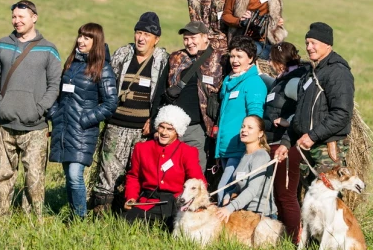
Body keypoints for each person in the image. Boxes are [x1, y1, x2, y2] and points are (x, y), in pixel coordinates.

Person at [0, 0, 61, 217]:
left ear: (34, 18)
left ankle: (34, 219)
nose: (16, 21)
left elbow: (55, 84)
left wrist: (40, 109)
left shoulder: (49, 49)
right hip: (4, 124)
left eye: (21, 17)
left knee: (34, 178)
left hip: (35, 126)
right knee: (3, 175)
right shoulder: (1, 45)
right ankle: (0, 217)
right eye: (14, 17)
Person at [90, 12, 169, 214]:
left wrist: (154, 120)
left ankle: (129, 214)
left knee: (138, 173)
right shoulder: (122, 54)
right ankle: (100, 215)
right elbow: (106, 84)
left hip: (142, 131)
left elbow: (163, 95)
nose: (141, 38)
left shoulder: (162, 61)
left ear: (156, 39)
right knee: (107, 173)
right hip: (115, 126)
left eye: (147, 35)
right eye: (138, 32)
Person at [47, 23, 118, 219]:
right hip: (63, 127)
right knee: (68, 177)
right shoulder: (71, 63)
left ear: (96, 42)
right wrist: (54, 113)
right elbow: (58, 93)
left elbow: (111, 102)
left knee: (74, 175)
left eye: (87, 38)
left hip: (82, 131)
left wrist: (85, 120)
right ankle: (73, 213)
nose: (81, 40)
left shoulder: (103, 68)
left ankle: (80, 217)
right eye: (80, 36)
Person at [157, 21, 226, 173]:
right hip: (172, 128)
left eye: (193, 38)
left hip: (198, 128)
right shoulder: (176, 57)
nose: (189, 42)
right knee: (168, 172)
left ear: (205, 37)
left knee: (194, 173)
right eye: (186, 38)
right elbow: (161, 89)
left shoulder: (220, 60)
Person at [123, 105, 206, 230]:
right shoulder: (142, 148)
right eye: (161, 127)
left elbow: (198, 180)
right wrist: (131, 197)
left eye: (169, 129)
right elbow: (133, 176)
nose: (164, 132)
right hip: (148, 201)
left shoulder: (188, 151)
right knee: (126, 222)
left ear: (177, 131)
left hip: (175, 203)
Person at [292, 22, 355, 183]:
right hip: (308, 144)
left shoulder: (338, 71)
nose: (309, 47)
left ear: (327, 44)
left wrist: (313, 135)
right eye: (307, 43)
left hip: (326, 146)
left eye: (314, 43)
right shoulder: (313, 71)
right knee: (311, 196)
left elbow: (342, 113)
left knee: (328, 195)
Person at [261, 42, 308, 243]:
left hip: (286, 145)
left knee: (287, 196)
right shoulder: (283, 79)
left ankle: (295, 240)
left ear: (278, 62)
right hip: (276, 142)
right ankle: (285, 238)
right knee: (281, 195)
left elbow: (306, 107)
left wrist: (288, 121)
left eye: (272, 60)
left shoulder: (292, 81)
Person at [215, 36, 266, 204]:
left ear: (250, 58)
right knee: (229, 191)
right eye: (232, 56)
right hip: (225, 146)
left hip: (239, 147)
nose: (234, 60)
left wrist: (249, 144)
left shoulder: (253, 83)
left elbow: (255, 116)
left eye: (239, 56)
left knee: (225, 189)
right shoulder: (229, 81)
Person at [216, 116, 277, 222]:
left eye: (250, 127)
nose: (244, 130)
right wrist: (228, 194)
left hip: (261, 217)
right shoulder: (245, 155)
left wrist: (229, 208)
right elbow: (241, 186)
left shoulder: (260, 156)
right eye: (243, 127)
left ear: (260, 133)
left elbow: (252, 190)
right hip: (245, 213)